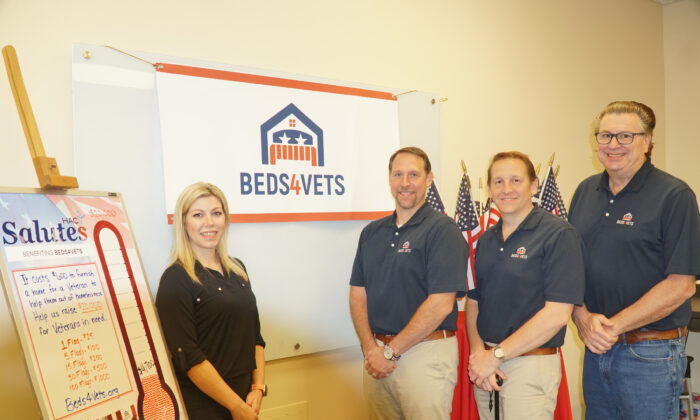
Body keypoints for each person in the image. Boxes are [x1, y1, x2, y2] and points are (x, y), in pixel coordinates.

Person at [569, 101, 700, 420]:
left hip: (650, 353)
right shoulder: (585, 192)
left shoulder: (674, 196)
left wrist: (613, 326)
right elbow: (568, 269)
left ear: (648, 140)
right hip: (596, 347)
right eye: (605, 135)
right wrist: (583, 318)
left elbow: (681, 286)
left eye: (625, 136)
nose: (613, 145)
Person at [349, 146, 469, 419]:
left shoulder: (443, 231)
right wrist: (371, 349)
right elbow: (358, 293)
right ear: (389, 179)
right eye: (398, 174)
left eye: (414, 175)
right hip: (377, 356)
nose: (405, 183)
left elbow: (440, 304)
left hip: (425, 354)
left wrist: (390, 352)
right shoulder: (372, 232)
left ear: (429, 179)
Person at [466, 151, 585, 420]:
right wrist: (479, 356)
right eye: (498, 182)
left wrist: (495, 355)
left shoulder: (558, 234)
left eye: (515, 180)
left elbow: (557, 315)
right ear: (489, 188)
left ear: (534, 186)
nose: (506, 189)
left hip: (530, 364)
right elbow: (474, 302)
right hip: (488, 366)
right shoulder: (485, 240)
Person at [156, 182, 266, 420]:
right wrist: (235, 407)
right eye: (198, 215)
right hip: (205, 407)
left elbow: (255, 338)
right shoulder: (175, 279)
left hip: (246, 400)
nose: (210, 222)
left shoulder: (238, 270)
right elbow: (189, 358)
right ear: (184, 223)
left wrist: (258, 388)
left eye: (216, 213)